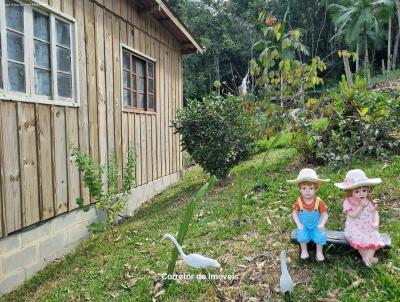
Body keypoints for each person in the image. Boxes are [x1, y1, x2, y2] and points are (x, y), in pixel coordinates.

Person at [335, 169, 385, 266]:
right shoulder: (348, 202)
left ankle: (367, 259)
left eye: (364, 190)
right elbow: (352, 215)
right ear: (350, 192)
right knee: (358, 239)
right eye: (357, 191)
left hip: (368, 227)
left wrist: (376, 222)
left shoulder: (369, 200)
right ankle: (368, 259)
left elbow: (375, 213)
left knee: (374, 238)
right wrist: (361, 206)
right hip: (354, 228)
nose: (362, 194)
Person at [288, 168, 329, 261]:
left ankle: (319, 251)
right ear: (299, 189)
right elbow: (294, 213)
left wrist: (322, 224)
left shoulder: (318, 201)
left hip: (316, 226)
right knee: (302, 235)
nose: (307, 191)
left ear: (316, 189)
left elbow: (324, 214)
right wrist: (298, 224)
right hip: (304, 226)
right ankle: (304, 250)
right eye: (304, 188)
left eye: (311, 188)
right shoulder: (299, 202)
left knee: (320, 235)